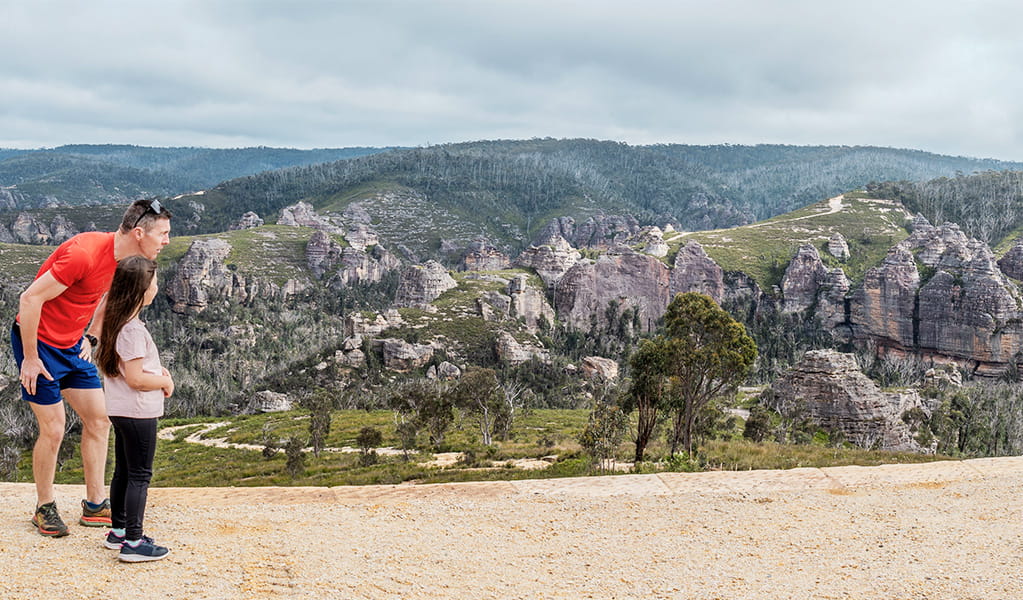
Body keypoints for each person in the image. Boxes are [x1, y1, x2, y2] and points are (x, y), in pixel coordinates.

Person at [12, 198, 172, 537]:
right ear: (139, 232)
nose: (167, 241)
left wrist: (91, 337)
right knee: (54, 428)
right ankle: (44, 507)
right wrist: (29, 357)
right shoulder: (84, 253)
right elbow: (29, 299)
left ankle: (96, 504)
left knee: (99, 420)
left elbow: (107, 300)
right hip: (38, 345)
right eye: (164, 234)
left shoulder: (125, 261)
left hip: (72, 345)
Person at [96, 256, 172, 562]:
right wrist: (166, 381)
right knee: (140, 474)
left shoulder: (117, 322)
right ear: (142, 289)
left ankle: (118, 532)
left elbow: (131, 370)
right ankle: (134, 542)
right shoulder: (132, 330)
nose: (157, 286)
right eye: (154, 281)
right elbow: (137, 379)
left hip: (119, 408)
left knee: (124, 471)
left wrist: (157, 374)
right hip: (138, 411)